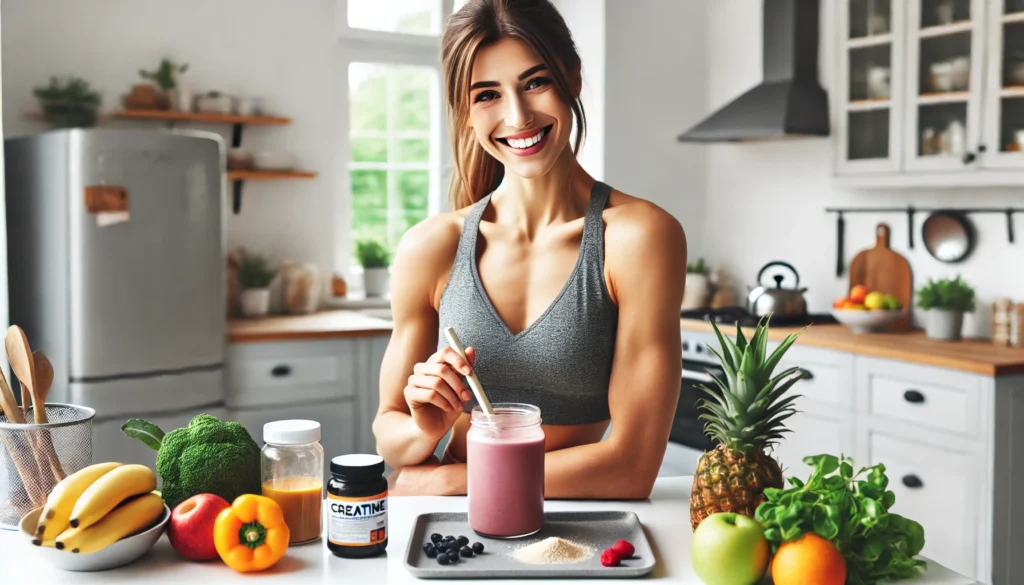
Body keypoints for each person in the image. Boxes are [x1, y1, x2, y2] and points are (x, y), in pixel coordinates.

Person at [372, 0, 686, 499]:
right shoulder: (433, 246)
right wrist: (425, 429)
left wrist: (450, 481)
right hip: (451, 527)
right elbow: (391, 438)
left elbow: (632, 467)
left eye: (535, 82)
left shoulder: (637, 238)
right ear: (465, 111)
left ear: (572, 79)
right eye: (488, 94)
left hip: (570, 519)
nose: (517, 117)